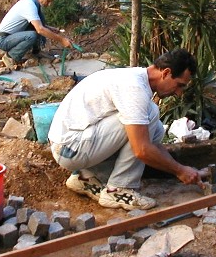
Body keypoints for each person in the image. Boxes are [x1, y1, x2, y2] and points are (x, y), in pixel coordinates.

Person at [48, 48, 203, 211]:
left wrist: (184, 170)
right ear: (165, 73)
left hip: (72, 144)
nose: (178, 93)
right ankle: (118, 189)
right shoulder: (134, 88)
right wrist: (180, 171)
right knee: (149, 114)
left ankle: (85, 177)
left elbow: (153, 146)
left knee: (155, 128)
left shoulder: (136, 77)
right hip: (69, 149)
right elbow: (142, 150)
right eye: (179, 85)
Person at [0, 0, 73, 69]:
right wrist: (61, 40)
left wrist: (50, 29)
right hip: (4, 40)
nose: (49, 4)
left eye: (51, 1)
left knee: (39, 23)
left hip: (12, 36)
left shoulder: (34, 4)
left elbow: (38, 24)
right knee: (32, 35)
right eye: (48, 1)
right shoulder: (29, 6)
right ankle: (10, 57)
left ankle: (36, 52)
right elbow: (40, 29)